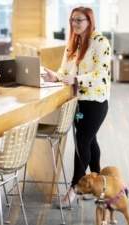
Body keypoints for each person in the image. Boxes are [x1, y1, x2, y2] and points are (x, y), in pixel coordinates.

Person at [41, 6, 111, 207]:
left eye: (80, 20)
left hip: (96, 101)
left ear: (90, 21)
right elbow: (65, 70)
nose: (75, 24)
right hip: (77, 101)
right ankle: (101, 186)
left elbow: (101, 74)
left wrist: (76, 79)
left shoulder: (100, 42)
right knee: (90, 142)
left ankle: (74, 188)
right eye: (73, 20)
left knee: (82, 142)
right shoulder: (73, 43)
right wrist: (56, 75)